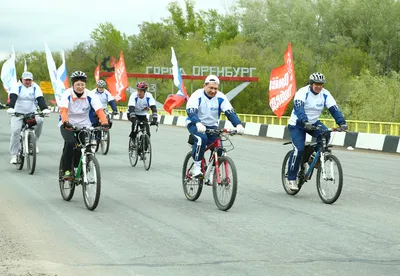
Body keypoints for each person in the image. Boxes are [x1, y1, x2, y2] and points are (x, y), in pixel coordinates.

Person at [286, 72, 348, 191]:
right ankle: (291, 178)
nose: (319, 86)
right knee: (298, 150)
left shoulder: (325, 94)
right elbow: (299, 109)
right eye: (316, 84)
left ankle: (313, 156)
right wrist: (304, 121)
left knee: (326, 134)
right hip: (298, 124)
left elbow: (334, 109)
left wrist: (342, 122)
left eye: (321, 84)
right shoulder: (302, 92)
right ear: (311, 84)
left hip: (313, 122)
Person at [186, 75, 245, 177]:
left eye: (215, 89)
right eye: (211, 88)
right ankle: (196, 167)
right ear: (204, 85)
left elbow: (230, 112)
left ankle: (212, 171)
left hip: (212, 126)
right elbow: (191, 111)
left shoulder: (221, 97)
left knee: (219, 148)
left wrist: (238, 124)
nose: (213, 91)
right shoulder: (197, 95)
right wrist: (198, 123)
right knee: (202, 139)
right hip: (195, 124)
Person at [59, 71, 109, 179]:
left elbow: (99, 110)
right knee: (70, 143)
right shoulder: (67, 94)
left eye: (82, 84)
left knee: (85, 146)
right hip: (68, 124)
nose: (80, 87)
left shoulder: (90, 95)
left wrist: (105, 122)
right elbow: (63, 110)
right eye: (77, 84)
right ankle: (66, 171)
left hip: (84, 125)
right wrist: (66, 122)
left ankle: (81, 167)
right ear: (73, 85)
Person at [7, 71, 51, 164]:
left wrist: (44, 109)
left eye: (29, 80)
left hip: (31, 113)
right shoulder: (17, 86)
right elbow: (13, 97)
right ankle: (14, 155)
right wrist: (11, 108)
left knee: (40, 121)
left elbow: (40, 98)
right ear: (22, 79)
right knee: (15, 131)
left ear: (32, 80)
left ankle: (33, 142)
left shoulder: (35, 87)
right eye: (26, 80)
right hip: (17, 113)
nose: (28, 82)